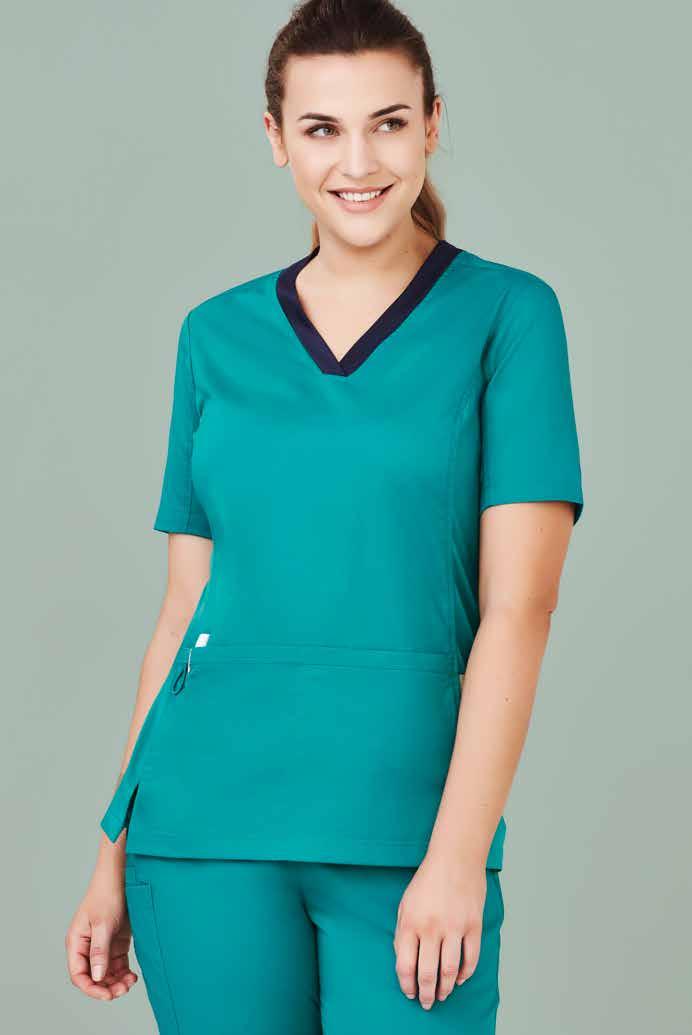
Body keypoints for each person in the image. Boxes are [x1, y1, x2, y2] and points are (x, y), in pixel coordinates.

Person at [64, 1, 585, 1032]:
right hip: (200, 832)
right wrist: (111, 856)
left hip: (406, 835)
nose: (358, 161)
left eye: (388, 123)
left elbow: (519, 611)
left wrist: (457, 857)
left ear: (433, 124)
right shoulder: (214, 336)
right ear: (276, 138)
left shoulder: (509, 316)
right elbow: (183, 610)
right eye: (321, 128)